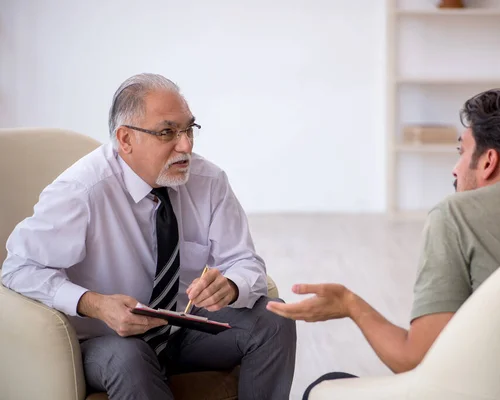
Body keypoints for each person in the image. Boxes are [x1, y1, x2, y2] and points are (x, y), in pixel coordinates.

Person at [266, 88, 500, 399]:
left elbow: (416, 360)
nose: (455, 169)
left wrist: (350, 304)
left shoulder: (458, 214)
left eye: (461, 151)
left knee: (323, 388)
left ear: (488, 161)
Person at [2, 73, 296, 400]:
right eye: (167, 132)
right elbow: (17, 269)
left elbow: (245, 262)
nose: (185, 145)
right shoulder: (81, 191)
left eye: (189, 129)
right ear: (125, 139)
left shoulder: (208, 181)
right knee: (130, 358)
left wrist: (231, 285)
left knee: (274, 317)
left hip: (182, 328)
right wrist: (94, 304)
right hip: (106, 340)